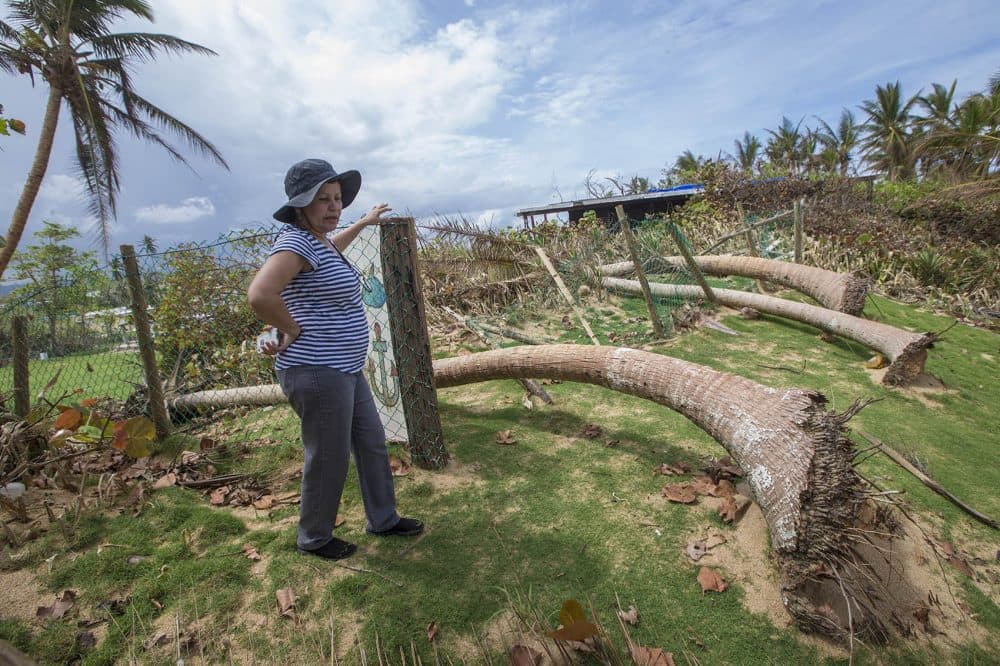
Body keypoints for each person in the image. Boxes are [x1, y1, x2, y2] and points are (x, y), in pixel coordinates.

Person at [248, 158, 423, 561]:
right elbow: (261, 295)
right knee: (328, 456)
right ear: (300, 206)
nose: (332, 207)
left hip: (344, 367)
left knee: (372, 442)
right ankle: (314, 537)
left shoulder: (317, 242)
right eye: (322, 200)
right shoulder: (294, 242)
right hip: (316, 372)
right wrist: (289, 330)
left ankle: (383, 517)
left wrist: (363, 222)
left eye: (336, 198)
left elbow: (332, 248)